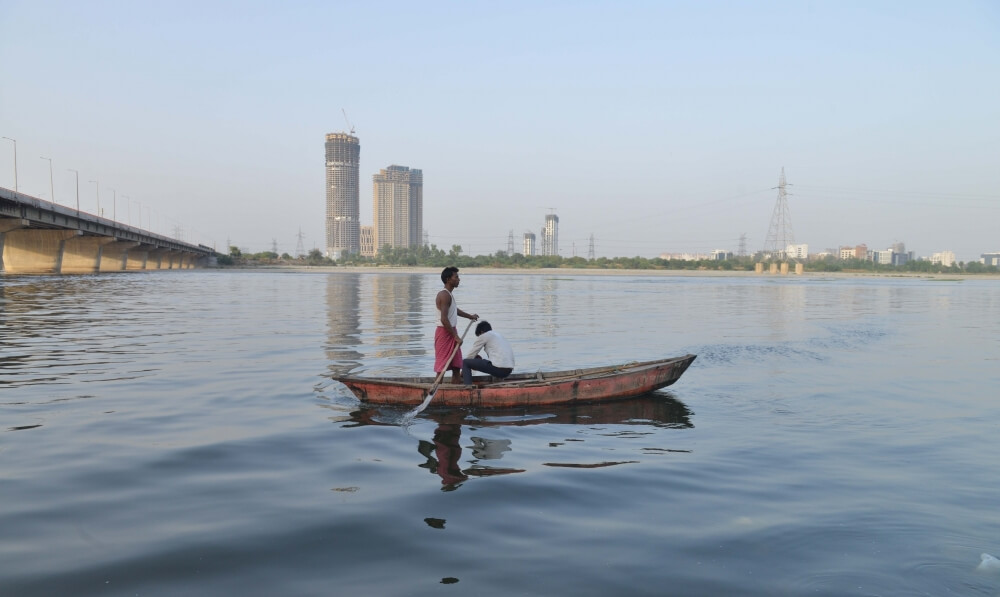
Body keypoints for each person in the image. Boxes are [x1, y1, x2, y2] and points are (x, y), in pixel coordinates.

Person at [435, 267, 478, 383]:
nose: (459, 279)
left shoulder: (449, 294)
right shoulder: (444, 295)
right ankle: (436, 390)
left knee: (456, 365)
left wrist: (470, 316)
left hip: (451, 331)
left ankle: (457, 388)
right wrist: (455, 336)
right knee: (442, 366)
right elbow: (444, 319)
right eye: (456, 277)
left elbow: (454, 310)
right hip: (445, 332)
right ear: (449, 279)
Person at [462, 320, 515, 386]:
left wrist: (462, 372)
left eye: (479, 335)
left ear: (481, 332)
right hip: (509, 370)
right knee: (487, 362)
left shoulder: (484, 335)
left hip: (500, 369)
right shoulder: (499, 335)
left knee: (465, 362)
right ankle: (498, 382)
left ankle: (468, 387)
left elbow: (470, 356)